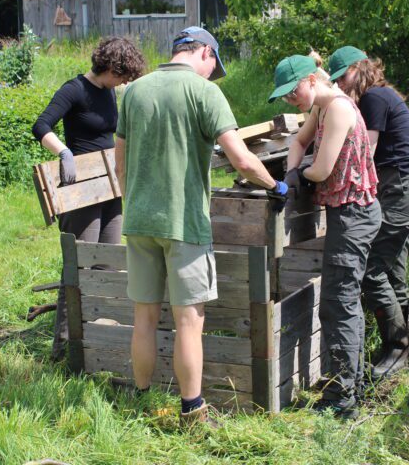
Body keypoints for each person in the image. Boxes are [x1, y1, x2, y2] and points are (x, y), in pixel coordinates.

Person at [115, 26, 287, 426]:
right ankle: (192, 411)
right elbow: (242, 160)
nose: (213, 74)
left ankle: (141, 401)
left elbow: (120, 164)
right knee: (188, 321)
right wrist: (275, 185)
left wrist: (137, 203)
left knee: (143, 316)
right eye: (215, 65)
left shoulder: (135, 91)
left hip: (139, 221)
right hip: (184, 223)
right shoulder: (204, 92)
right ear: (205, 53)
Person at [274, 55, 380, 419]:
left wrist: (298, 178)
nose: (292, 100)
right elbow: (297, 142)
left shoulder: (337, 109)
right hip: (346, 212)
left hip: (355, 214)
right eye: (285, 97)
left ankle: (343, 397)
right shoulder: (321, 107)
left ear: (311, 79)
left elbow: (321, 169)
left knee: (339, 302)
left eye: (293, 91)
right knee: (345, 300)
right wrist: (290, 170)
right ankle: (355, 384)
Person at [32, 36, 146, 361]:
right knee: (79, 267)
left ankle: (99, 335)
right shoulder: (74, 90)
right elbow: (41, 125)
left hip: (110, 185)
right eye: (122, 75)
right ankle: (65, 348)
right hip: (80, 188)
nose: (125, 82)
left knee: (108, 262)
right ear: (109, 67)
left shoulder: (109, 91)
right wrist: (64, 152)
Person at [328, 46, 409, 380]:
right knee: (393, 269)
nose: (341, 85)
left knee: (372, 266)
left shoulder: (373, 98)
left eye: (343, 76)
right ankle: (399, 348)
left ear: (360, 69)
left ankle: (396, 348)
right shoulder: (380, 96)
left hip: (401, 187)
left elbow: (366, 153)